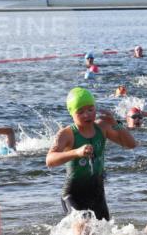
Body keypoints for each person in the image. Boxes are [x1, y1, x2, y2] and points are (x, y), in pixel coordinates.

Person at [46, 87, 138, 225]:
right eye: (80, 112)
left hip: (97, 194)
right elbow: (49, 160)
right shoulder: (66, 134)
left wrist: (115, 123)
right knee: (84, 223)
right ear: (71, 113)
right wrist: (76, 152)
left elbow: (131, 144)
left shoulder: (102, 127)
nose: (87, 115)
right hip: (73, 194)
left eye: (90, 110)